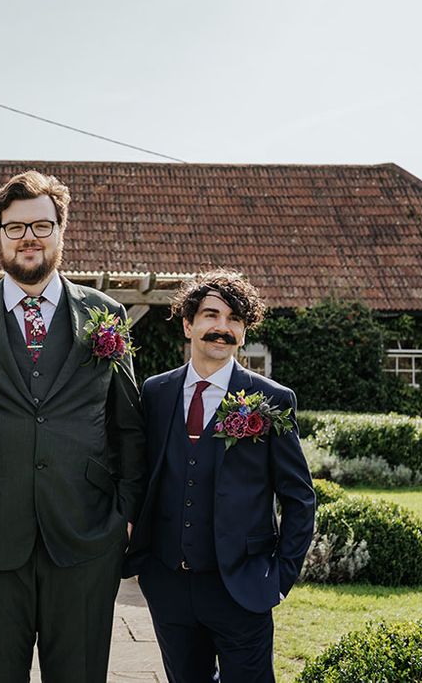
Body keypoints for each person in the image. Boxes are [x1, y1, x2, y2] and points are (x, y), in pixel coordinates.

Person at [0, 170, 146, 682]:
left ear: (61, 231)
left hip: (87, 535)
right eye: (15, 226)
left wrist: (126, 511)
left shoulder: (106, 314)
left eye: (42, 225)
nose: (29, 237)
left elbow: (128, 424)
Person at [124, 270, 315, 683]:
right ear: (189, 323)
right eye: (211, 315)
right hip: (168, 586)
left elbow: (300, 498)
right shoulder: (155, 392)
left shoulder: (271, 400)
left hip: (243, 588)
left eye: (234, 319)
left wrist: (280, 578)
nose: (222, 328)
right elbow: (140, 475)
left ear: (244, 333)